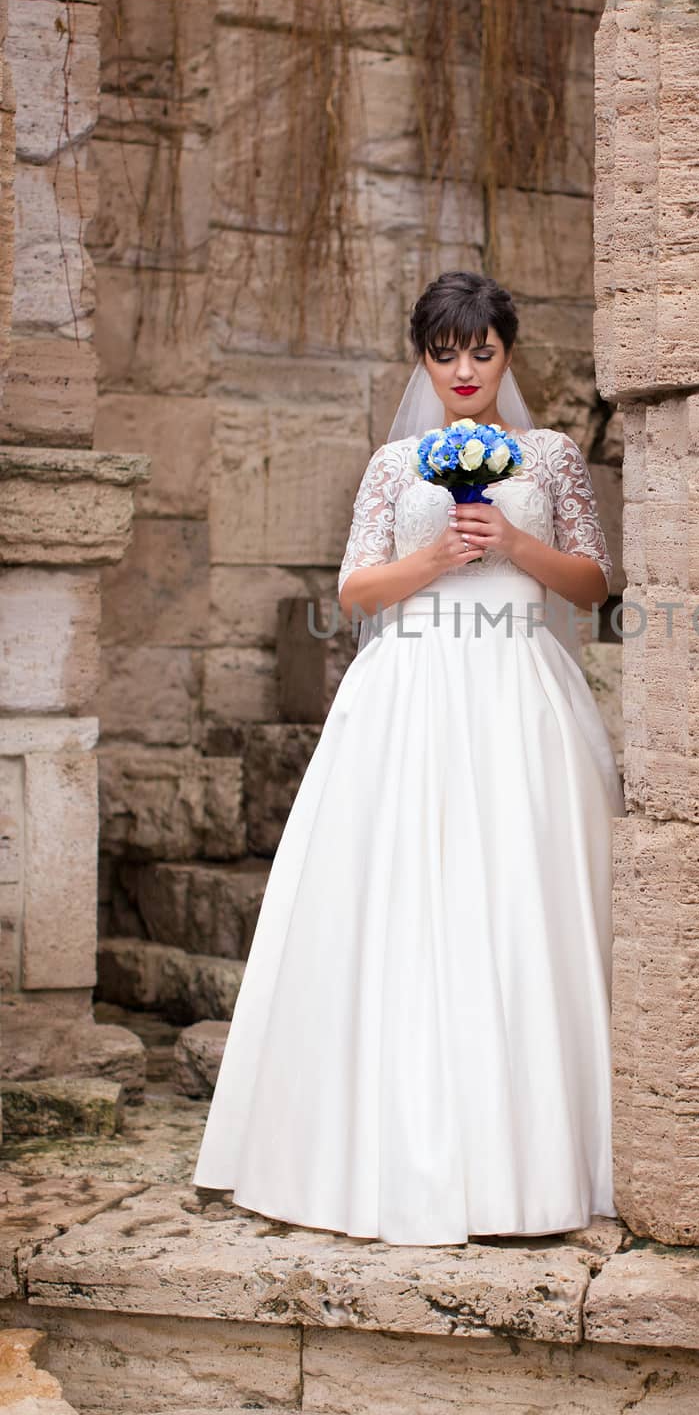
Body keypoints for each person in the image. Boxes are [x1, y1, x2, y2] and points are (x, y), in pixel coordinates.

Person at [192, 269, 625, 1245]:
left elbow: (593, 584)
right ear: (422, 358)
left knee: (522, 902)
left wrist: (512, 542)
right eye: (443, 351)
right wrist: (431, 562)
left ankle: (538, 1155)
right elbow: (352, 591)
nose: (463, 369)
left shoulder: (549, 457)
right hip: (410, 698)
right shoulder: (394, 467)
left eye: (480, 350)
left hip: (518, 695)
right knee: (402, 902)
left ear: (506, 354)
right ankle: (376, 1151)